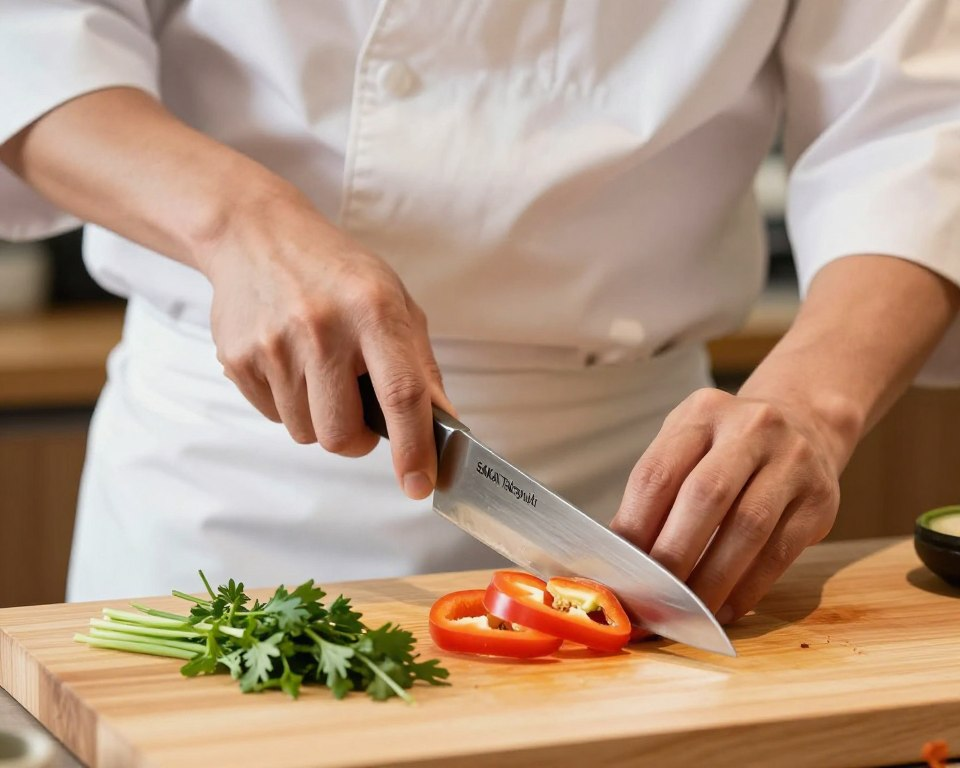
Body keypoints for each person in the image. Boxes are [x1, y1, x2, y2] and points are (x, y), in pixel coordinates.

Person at [1, 2, 958, 626]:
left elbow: (918, 123)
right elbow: (28, 38)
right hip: (226, 481)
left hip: (641, 504)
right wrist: (240, 222)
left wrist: (814, 401)